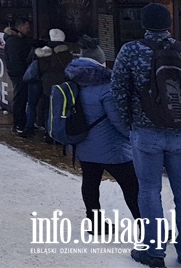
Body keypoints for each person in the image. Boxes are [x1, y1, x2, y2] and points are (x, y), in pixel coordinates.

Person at [111, 3, 181, 268]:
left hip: (145, 133)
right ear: (169, 23)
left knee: (149, 191)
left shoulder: (131, 51)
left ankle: (153, 252)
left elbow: (118, 88)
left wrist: (129, 121)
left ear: (143, 23)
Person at [65, 56, 141, 234]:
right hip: (112, 149)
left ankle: (95, 223)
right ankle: (148, 227)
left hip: (83, 144)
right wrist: (134, 138)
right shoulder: (106, 88)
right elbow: (119, 122)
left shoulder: (73, 83)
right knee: (132, 186)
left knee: (90, 183)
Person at [3, 17, 36, 135]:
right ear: (20, 27)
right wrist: (23, 73)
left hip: (20, 73)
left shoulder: (19, 39)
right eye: (27, 27)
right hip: (19, 74)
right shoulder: (13, 41)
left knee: (21, 98)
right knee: (20, 98)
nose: (29, 29)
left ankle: (21, 122)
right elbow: (16, 60)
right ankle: (18, 124)